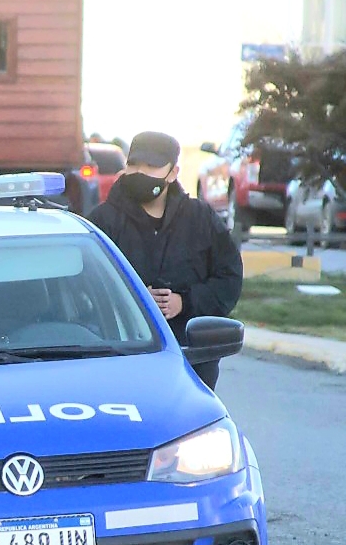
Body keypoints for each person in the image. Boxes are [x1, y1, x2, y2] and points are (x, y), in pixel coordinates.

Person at [88, 131, 243, 390]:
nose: (141, 173)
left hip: (192, 359)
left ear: (173, 173)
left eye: (152, 166)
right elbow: (84, 290)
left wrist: (184, 302)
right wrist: (134, 301)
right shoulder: (101, 222)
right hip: (123, 359)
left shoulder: (200, 218)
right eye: (134, 164)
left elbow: (229, 278)